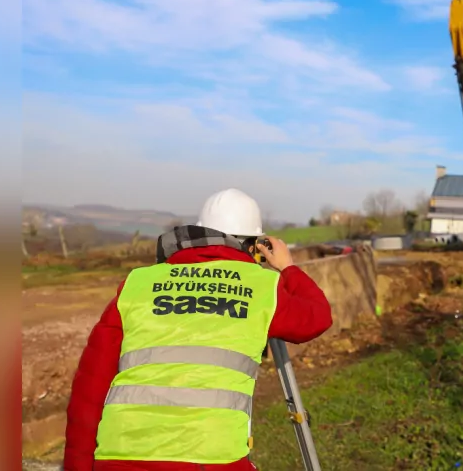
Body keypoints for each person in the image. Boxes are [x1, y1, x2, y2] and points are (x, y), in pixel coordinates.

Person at [62, 188, 333, 471]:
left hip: (119, 458)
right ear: (255, 244)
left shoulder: (138, 283)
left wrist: (77, 466)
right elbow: (317, 316)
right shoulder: (260, 286)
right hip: (209, 461)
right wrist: (287, 268)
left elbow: (90, 388)